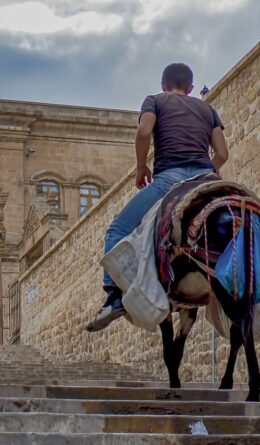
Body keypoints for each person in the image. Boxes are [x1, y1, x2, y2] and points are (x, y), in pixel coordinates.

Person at [86, 63, 228, 332]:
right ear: (191, 88)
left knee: (116, 231)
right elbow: (222, 154)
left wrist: (141, 167)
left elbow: (143, 132)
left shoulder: (154, 101)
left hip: (170, 180)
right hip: (206, 179)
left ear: (163, 84)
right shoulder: (208, 110)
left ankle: (114, 297)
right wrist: (207, 171)